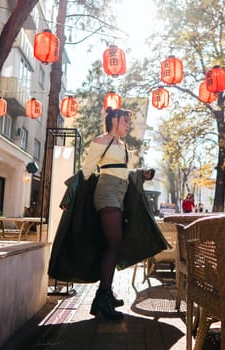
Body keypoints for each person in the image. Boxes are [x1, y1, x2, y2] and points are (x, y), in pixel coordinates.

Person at [81, 107, 154, 321]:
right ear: (114, 119)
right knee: (114, 242)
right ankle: (102, 297)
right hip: (106, 192)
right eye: (125, 120)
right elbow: (86, 171)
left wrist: (141, 174)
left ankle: (104, 295)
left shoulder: (122, 145)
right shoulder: (100, 141)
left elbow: (121, 171)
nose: (128, 124)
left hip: (120, 193)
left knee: (113, 244)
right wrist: (71, 198)